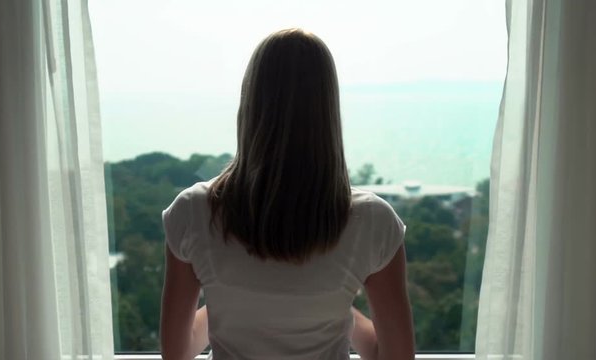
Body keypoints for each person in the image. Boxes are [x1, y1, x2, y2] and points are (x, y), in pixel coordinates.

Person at [160, 28, 415, 360]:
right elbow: (395, 356)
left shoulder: (193, 212)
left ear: (250, 105)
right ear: (328, 111)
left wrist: (238, 300)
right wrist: (327, 304)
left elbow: (176, 352)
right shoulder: (373, 221)